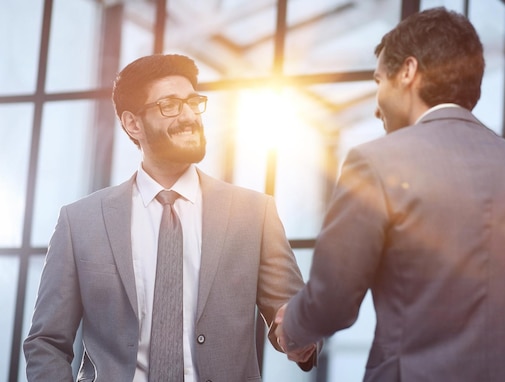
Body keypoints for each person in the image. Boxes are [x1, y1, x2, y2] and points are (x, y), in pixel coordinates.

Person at [275, 7, 505, 382]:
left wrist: (290, 326)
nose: (375, 107)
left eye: (377, 83)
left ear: (408, 71)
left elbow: (332, 304)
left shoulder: (375, 163)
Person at [23, 53, 315, 381]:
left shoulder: (253, 214)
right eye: (171, 105)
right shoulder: (80, 222)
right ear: (133, 124)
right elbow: (46, 342)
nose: (189, 115)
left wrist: (300, 334)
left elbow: (291, 317)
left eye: (193, 102)